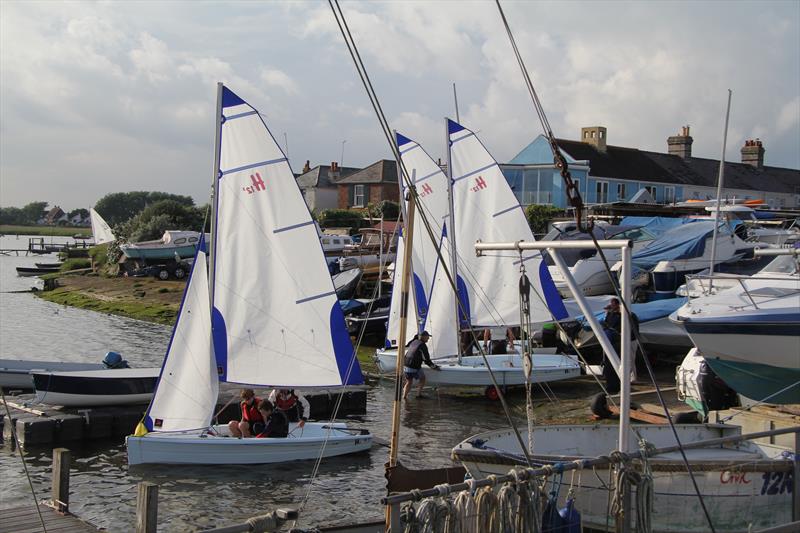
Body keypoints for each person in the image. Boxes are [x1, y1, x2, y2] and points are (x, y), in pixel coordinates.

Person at [402, 330, 440, 400]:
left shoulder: (414, 342)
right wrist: (434, 367)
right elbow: (426, 360)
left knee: (409, 382)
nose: (428, 338)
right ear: (424, 337)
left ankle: (404, 397)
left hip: (405, 365)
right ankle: (418, 395)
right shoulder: (422, 345)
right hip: (414, 367)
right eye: (427, 337)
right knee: (422, 378)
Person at [600, 298, 622, 393]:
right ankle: (610, 385)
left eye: (613, 304)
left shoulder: (619, 315)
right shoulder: (610, 314)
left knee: (613, 364)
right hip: (609, 340)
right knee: (608, 363)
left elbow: (615, 326)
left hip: (615, 342)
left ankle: (614, 385)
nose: (611, 306)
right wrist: (608, 313)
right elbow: (608, 324)